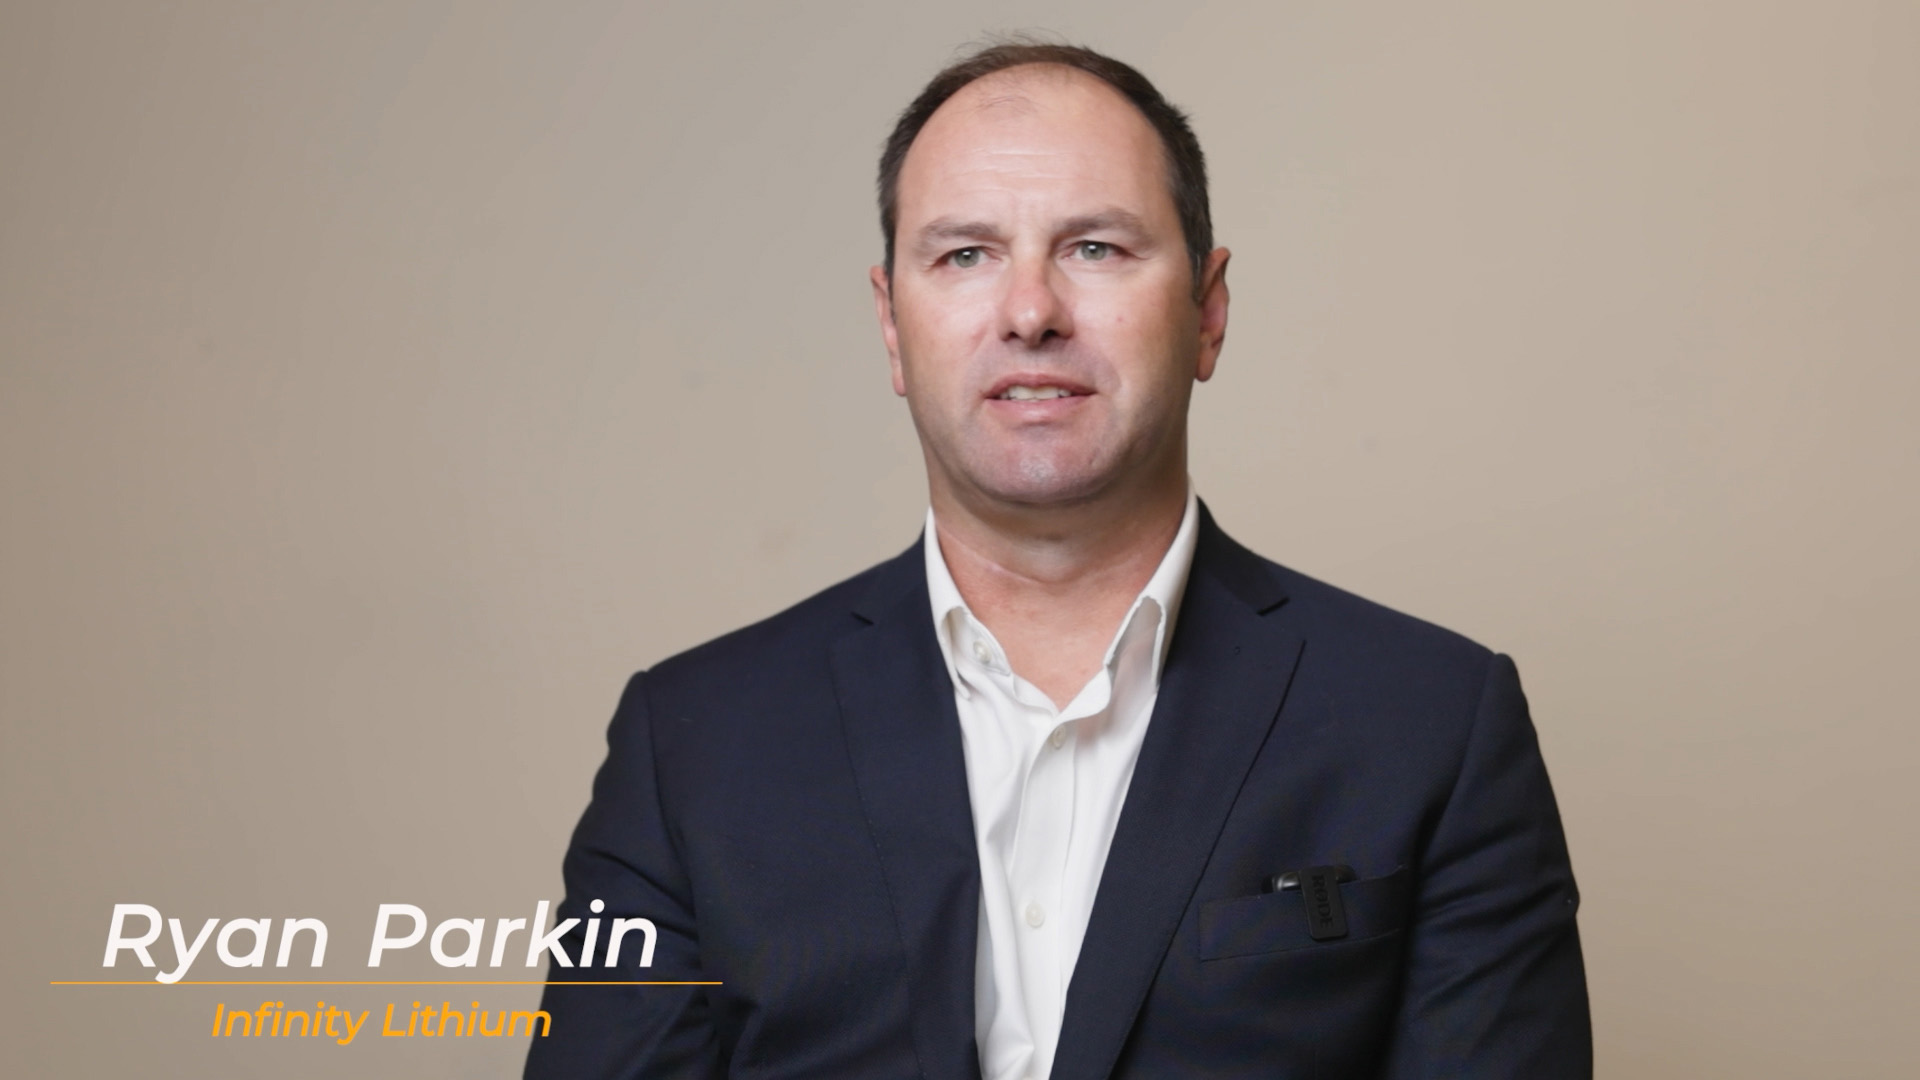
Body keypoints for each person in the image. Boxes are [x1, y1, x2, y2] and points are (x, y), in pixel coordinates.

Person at [525, 40, 1590, 1080]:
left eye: (1096, 248)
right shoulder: (692, 743)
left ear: (1208, 311)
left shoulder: (1435, 725)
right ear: (892, 325)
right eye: (965, 255)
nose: (1031, 313)